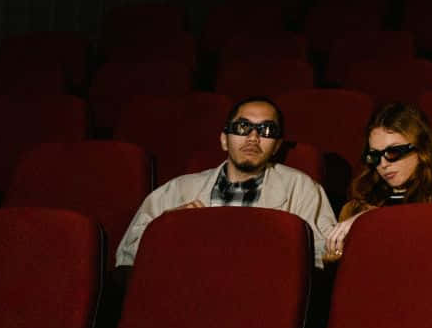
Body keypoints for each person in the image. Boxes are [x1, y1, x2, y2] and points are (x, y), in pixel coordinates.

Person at [115, 96, 336, 267]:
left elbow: (321, 256)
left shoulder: (302, 188)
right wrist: (169, 228)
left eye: (266, 130)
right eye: (242, 127)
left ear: (277, 146)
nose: (253, 138)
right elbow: (127, 254)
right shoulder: (178, 188)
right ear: (224, 140)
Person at [323, 102, 432, 261]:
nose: (383, 164)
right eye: (375, 156)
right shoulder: (355, 209)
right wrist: (336, 254)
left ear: (421, 149)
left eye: (393, 152)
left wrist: (369, 221)